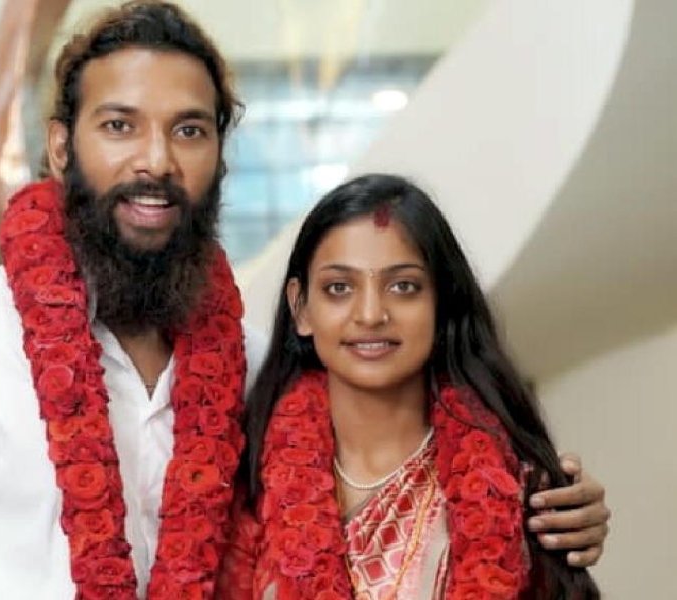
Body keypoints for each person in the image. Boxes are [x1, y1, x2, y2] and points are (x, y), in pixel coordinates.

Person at [0, 2, 608, 598]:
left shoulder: (258, 375)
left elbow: (395, 473)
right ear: (62, 146)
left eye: (189, 131)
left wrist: (547, 505)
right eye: (120, 125)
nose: (155, 161)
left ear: (220, 153)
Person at [219, 174, 603, 598]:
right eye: (339, 288)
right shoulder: (245, 480)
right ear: (301, 307)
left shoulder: (518, 490)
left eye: (403, 287)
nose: (370, 314)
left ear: (442, 303)